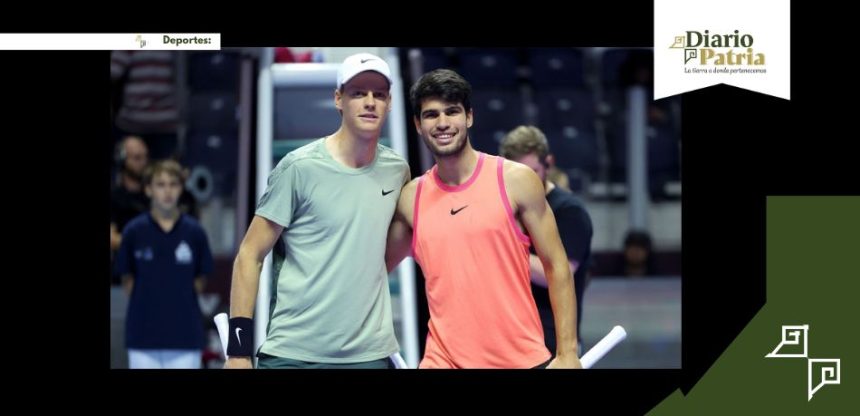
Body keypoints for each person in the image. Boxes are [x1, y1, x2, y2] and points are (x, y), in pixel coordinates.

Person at [385, 69, 581, 369]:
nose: (442, 123)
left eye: (452, 112)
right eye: (431, 115)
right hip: (442, 360)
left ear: (469, 117)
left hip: (520, 359)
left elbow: (557, 268)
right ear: (417, 124)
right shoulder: (411, 198)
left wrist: (567, 353)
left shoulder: (516, 181)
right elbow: (374, 269)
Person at [224, 53, 410, 369]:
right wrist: (238, 351)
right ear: (339, 99)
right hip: (294, 354)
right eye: (358, 93)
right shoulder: (298, 168)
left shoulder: (398, 171)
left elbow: (385, 252)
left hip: (369, 356)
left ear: (390, 102)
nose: (369, 102)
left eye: (379, 94)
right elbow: (249, 255)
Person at [499, 125, 593, 353]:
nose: (524, 180)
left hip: (553, 341)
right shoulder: (502, 207)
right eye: (516, 172)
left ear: (548, 163)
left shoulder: (570, 211)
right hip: (506, 338)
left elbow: (558, 273)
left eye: (532, 171)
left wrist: (500, 248)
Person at [115, 160, 214, 368]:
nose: (167, 191)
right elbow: (127, 280)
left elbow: (201, 280)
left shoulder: (195, 233)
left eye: (173, 184)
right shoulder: (134, 232)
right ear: (148, 189)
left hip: (185, 338)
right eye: (160, 184)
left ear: (181, 188)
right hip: (143, 339)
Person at [111, 135, 150, 285]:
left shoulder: (153, 194)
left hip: (154, 267)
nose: (143, 162)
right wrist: (146, 243)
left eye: (145, 157)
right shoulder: (114, 197)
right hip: (124, 267)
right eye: (137, 158)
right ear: (122, 159)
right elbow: (112, 237)